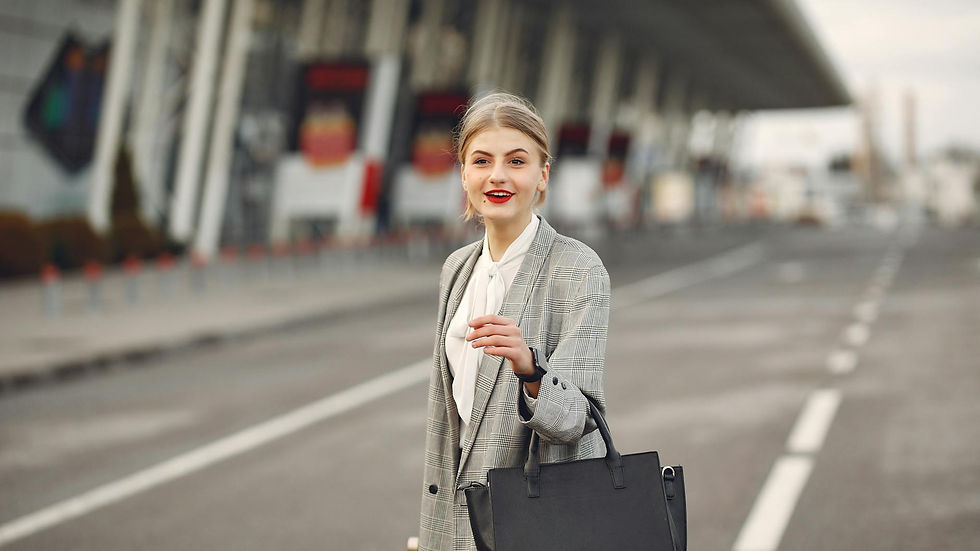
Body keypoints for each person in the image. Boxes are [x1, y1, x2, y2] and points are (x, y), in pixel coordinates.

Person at [418, 92, 611, 550]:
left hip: (538, 521)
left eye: (516, 161)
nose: (498, 175)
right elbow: (454, 424)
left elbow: (578, 420)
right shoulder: (457, 269)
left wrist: (531, 369)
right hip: (456, 524)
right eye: (482, 160)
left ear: (542, 176)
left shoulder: (578, 269)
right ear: (464, 174)